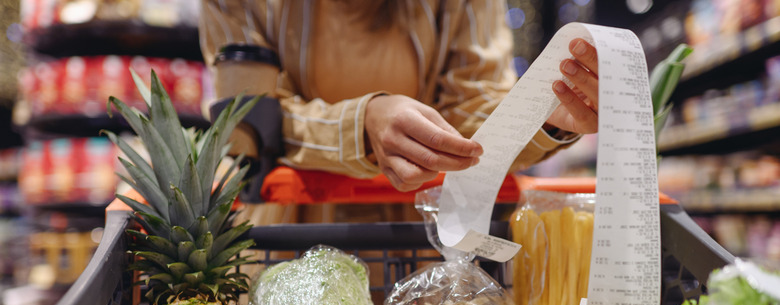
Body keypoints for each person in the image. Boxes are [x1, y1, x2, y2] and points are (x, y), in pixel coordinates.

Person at [198, 0, 599, 193]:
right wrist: (362, 125)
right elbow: (248, 121)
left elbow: (471, 110)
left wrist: (542, 114)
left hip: (423, 239)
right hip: (290, 233)